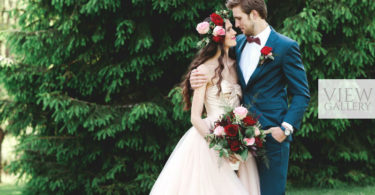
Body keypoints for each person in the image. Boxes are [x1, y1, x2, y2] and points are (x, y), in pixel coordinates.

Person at [190, 1, 310, 194]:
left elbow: (302, 94)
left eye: (239, 18)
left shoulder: (286, 47)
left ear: (254, 14)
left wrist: (285, 128)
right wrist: (195, 78)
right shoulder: (238, 44)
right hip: (237, 138)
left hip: (272, 137)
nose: (236, 25)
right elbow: (216, 67)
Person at [150, 10, 260, 195]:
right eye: (229, 29)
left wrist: (240, 138)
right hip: (209, 138)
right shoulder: (204, 70)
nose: (234, 32)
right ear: (218, 37)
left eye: (233, 28)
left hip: (236, 135)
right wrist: (219, 144)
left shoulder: (237, 64)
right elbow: (195, 117)